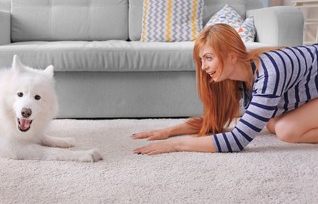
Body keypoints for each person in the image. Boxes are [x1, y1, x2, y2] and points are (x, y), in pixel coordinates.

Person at [132, 23, 318, 155]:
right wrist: (169, 131)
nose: (203, 67)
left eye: (208, 58)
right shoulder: (239, 75)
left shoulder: (270, 72)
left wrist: (176, 145)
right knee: (270, 123)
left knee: (287, 130)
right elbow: (216, 121)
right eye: (201, 60)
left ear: (231, 56)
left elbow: (237, 140)